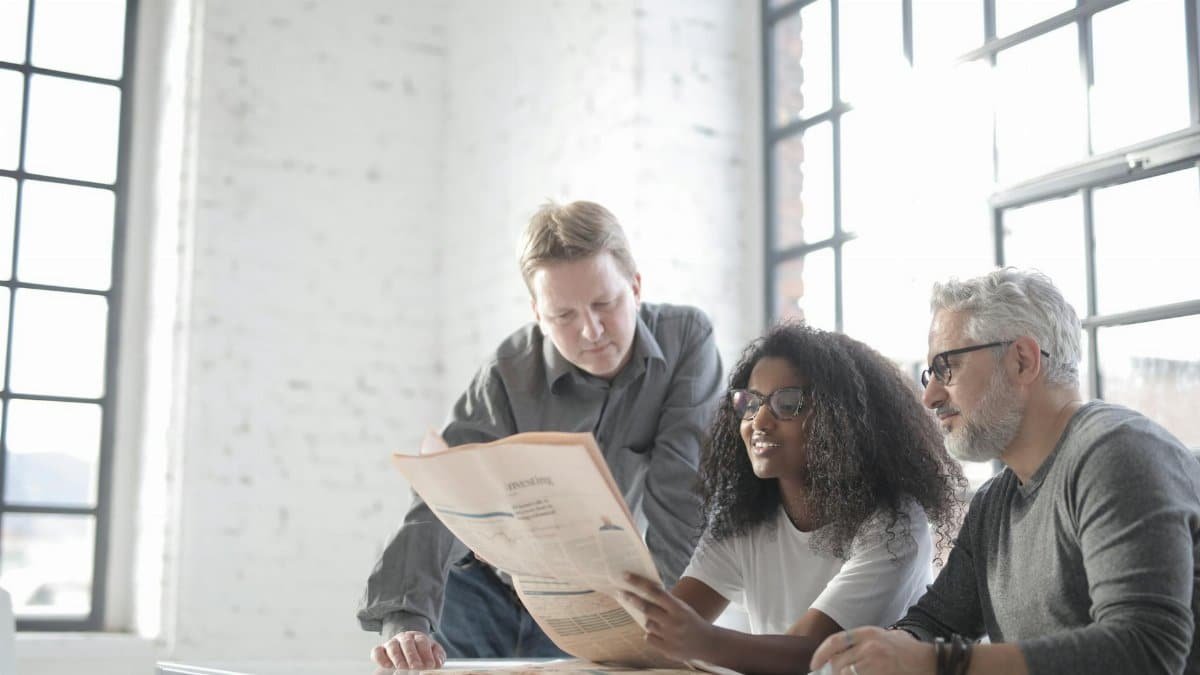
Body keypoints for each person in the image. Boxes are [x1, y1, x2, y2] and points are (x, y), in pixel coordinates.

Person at [358, 200, 723, 670]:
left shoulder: (686, 340)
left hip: (597, 609)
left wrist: (664, 629)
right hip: (480, 595)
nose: (590, 331)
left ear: (635, 286)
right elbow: (443, 495)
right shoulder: (507, 372)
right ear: (536, 313)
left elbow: (683, 494)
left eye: (603, 304)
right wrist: (404, 621)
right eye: (563, 316)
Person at [811, 268, 1200, 675]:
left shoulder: (1117, 452)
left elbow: (1145, 650)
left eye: (947, 368)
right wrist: (888, 650)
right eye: (930, 375)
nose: (929, 397)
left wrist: (938, 662)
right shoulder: (994, 503)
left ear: (1022, 360)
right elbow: (935, 622)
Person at [619, 322, 965, 674]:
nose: (759, 421)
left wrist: (704, 641)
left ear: (841, 418)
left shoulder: (895, 524)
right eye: (749, 403)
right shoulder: (743, 517)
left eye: (787, 403)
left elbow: (813, 654)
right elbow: (669, 629)